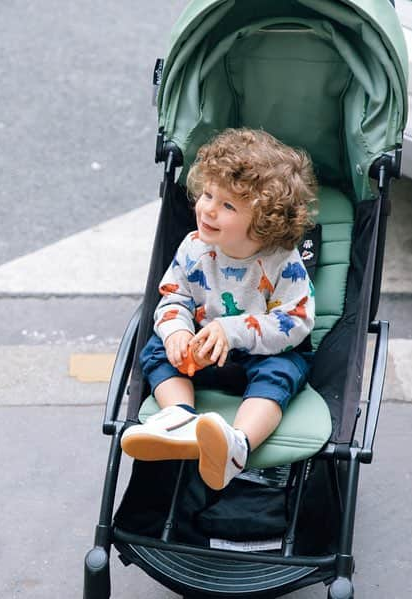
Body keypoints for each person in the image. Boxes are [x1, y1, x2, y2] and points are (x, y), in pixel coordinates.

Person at [121, 128, 318, 491]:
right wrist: (177, 331)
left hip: (261, 354)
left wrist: (232, 330)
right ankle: (179, 418)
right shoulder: (193, 247)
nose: (208, 208)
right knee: (156, 348)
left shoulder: (281, 261)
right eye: (208, 194)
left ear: (263, 220)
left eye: (227, 205)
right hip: (202, 351)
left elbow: (297, 320)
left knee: (283, 371)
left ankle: (237, 444)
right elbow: (174, 296)